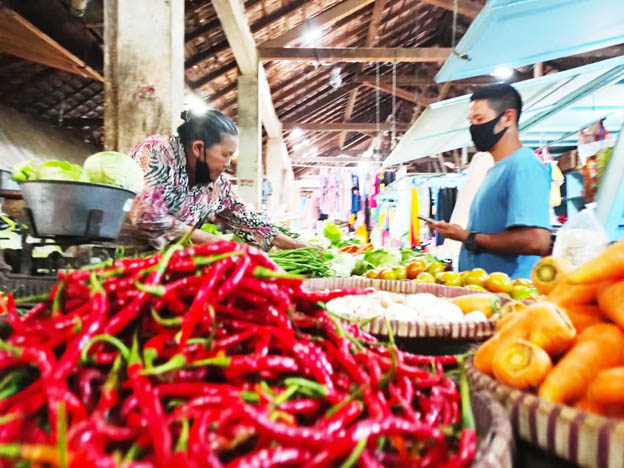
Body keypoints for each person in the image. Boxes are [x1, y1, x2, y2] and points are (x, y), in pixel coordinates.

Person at [128, 109, 306, 251]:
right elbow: (145, 215)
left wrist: (296, 245)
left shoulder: (215, 183)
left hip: (162, 264)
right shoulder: (157, 153)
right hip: (123, 256)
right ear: (198, 148)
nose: (228, 163)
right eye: (225, 155)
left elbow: (243, 217)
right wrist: (207, 239)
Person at [429, 84, 551, 279]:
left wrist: (466, 236)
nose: (474, 128)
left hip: (510, 296)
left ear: (508, 118)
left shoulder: (523, 165)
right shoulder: (494, 170)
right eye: (471, 121)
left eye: (480, 119)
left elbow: (536, 241)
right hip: (487, 292)